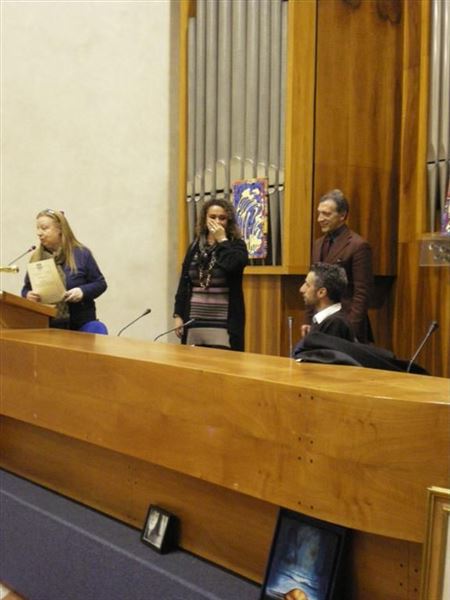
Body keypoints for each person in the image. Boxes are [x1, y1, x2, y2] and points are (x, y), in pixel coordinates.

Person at [173, 198, 248, 351]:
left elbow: (233, 265)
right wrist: (178, 315)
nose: (217, 221)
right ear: (205, 219)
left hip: (223, 322)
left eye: (222, 218)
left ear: (228, 221)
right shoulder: (195, 246)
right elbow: (184, 282)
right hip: (194, 319)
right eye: (212, 217)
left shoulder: (236, 245)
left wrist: (222, 240)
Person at [302, 189, 373, 343]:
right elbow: (312, 284)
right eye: (319, 213)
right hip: (320, 322)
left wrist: (350, 329)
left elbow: (362, 293)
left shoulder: (358, 245)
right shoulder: (318, 244)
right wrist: (308, 319)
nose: (320, 219)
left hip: (346, 324)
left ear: (342, 215)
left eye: (326, 214)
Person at [22, 209, 107, 330]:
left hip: (80, 322)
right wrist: (27, 295)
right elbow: (26, 288)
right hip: (47, 324)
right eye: (38, 228)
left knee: (97, 329)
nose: (39, 233)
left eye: (44, 228)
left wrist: (82, 291)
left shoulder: (81, 254)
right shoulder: (36, 258)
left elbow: (100, 284)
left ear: (60, 229)